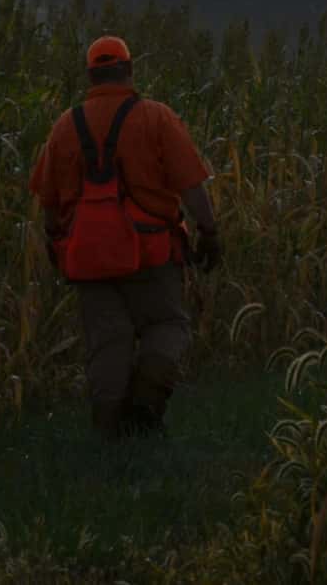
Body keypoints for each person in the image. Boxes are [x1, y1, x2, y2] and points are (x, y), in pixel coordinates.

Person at [29, 35, 224, 436]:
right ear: (129, 71)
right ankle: (144, 409)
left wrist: (54, 241)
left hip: (88, 257)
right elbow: (190, 187)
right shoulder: (156, 117)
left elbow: (48, 200)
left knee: (108, 342)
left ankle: (107, 432)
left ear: (90, 76)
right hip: (152, 252)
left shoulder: (66, 126)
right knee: (168, 325)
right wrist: (209, 230)